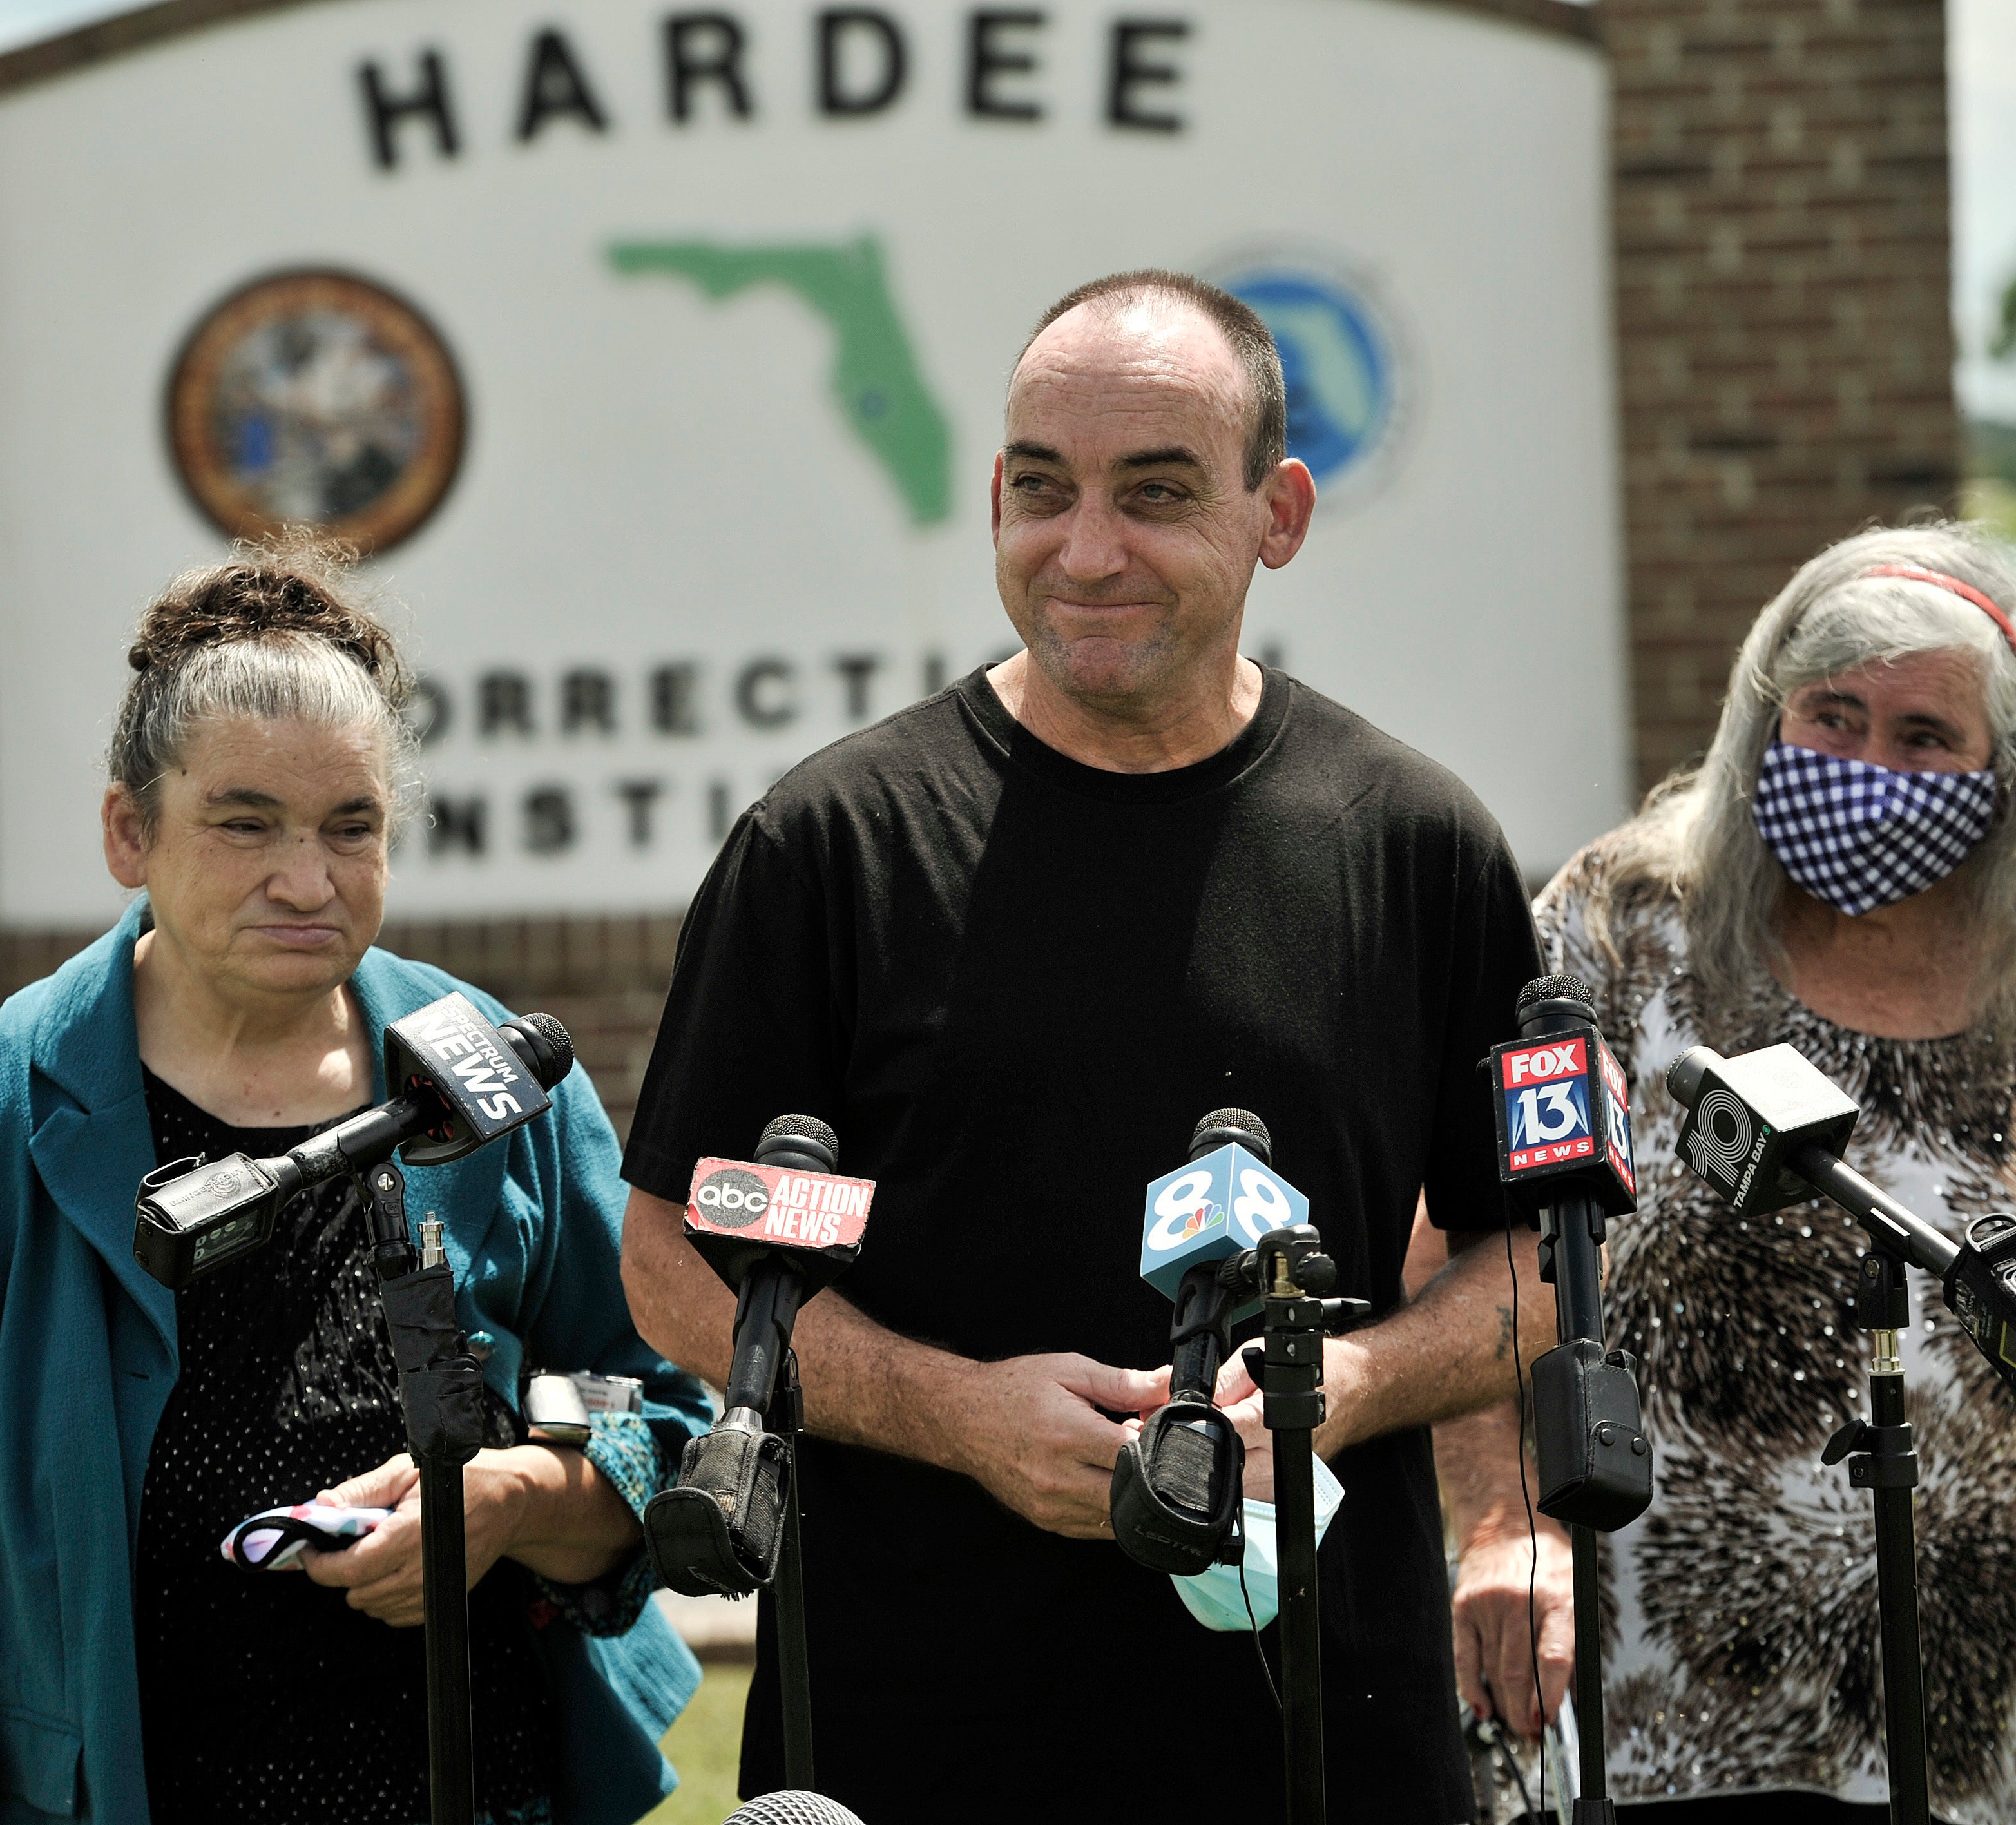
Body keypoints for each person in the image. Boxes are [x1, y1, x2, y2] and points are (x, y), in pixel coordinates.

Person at [616, 269, 1553, 1823]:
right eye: (1042, 491)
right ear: (991, 495)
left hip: (1321, 1728)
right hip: (915, 1730)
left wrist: (1339, 1385)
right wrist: (961, 1417)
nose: (1087, 550)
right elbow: (672, 1257)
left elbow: (1535, 1267)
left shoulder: (1415, 845)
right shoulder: (829, 845)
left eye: (1158, 493)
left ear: (1281, 513)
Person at [0, 544, 710, 1825]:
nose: (306, 880)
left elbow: (660, 1413)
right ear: (128, 831)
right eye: (244, 823)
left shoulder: (491, 1076)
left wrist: (513, 1500)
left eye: (350, 827)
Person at [1440, 523, 2016, 1825]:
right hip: (1648, 1729)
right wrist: (1507, 1525)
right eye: (1832, 717)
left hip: (2000, 1745)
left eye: (1924, 738)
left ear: (2003, 771)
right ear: (1759, 719)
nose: (1868, 769)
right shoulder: (1616, 931)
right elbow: (1469, 1261)